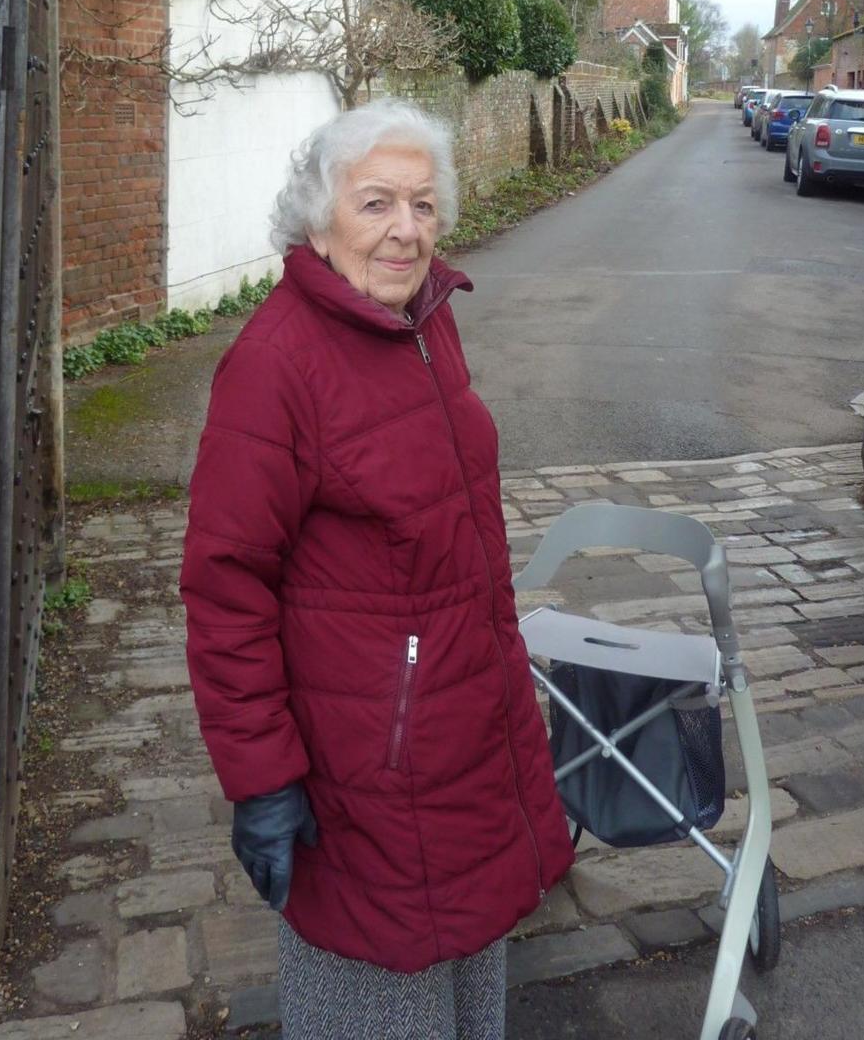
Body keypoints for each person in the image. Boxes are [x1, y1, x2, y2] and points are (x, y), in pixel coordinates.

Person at [179, 100, 573, 1040]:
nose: (407, 230)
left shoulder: (426, 321)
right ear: (318, 220)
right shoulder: (276, 363)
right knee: (381, 1000)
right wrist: (262, 777)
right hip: (366, 772)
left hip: (465, 737)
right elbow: (225, 587)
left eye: (425, 206)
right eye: (377, 204)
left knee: (473, 992)